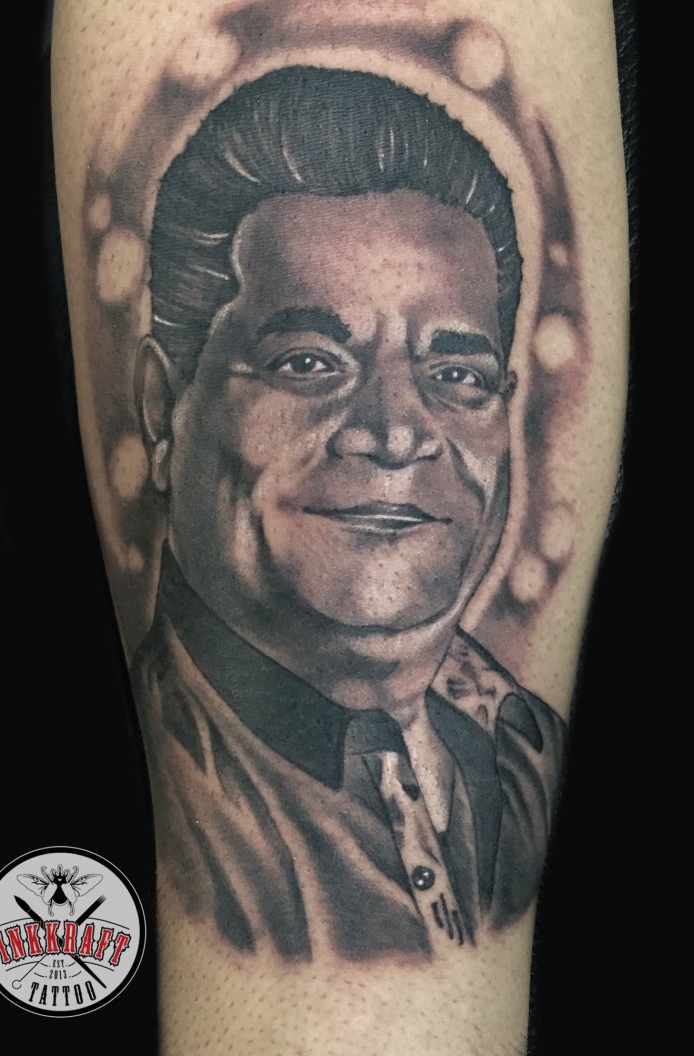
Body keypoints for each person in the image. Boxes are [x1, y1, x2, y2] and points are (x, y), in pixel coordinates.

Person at [131, 65, 567, 961]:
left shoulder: (522, 744)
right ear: (162, 412)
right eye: (308, 363)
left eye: (457, 375)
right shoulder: (175, 814)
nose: (397, 432)